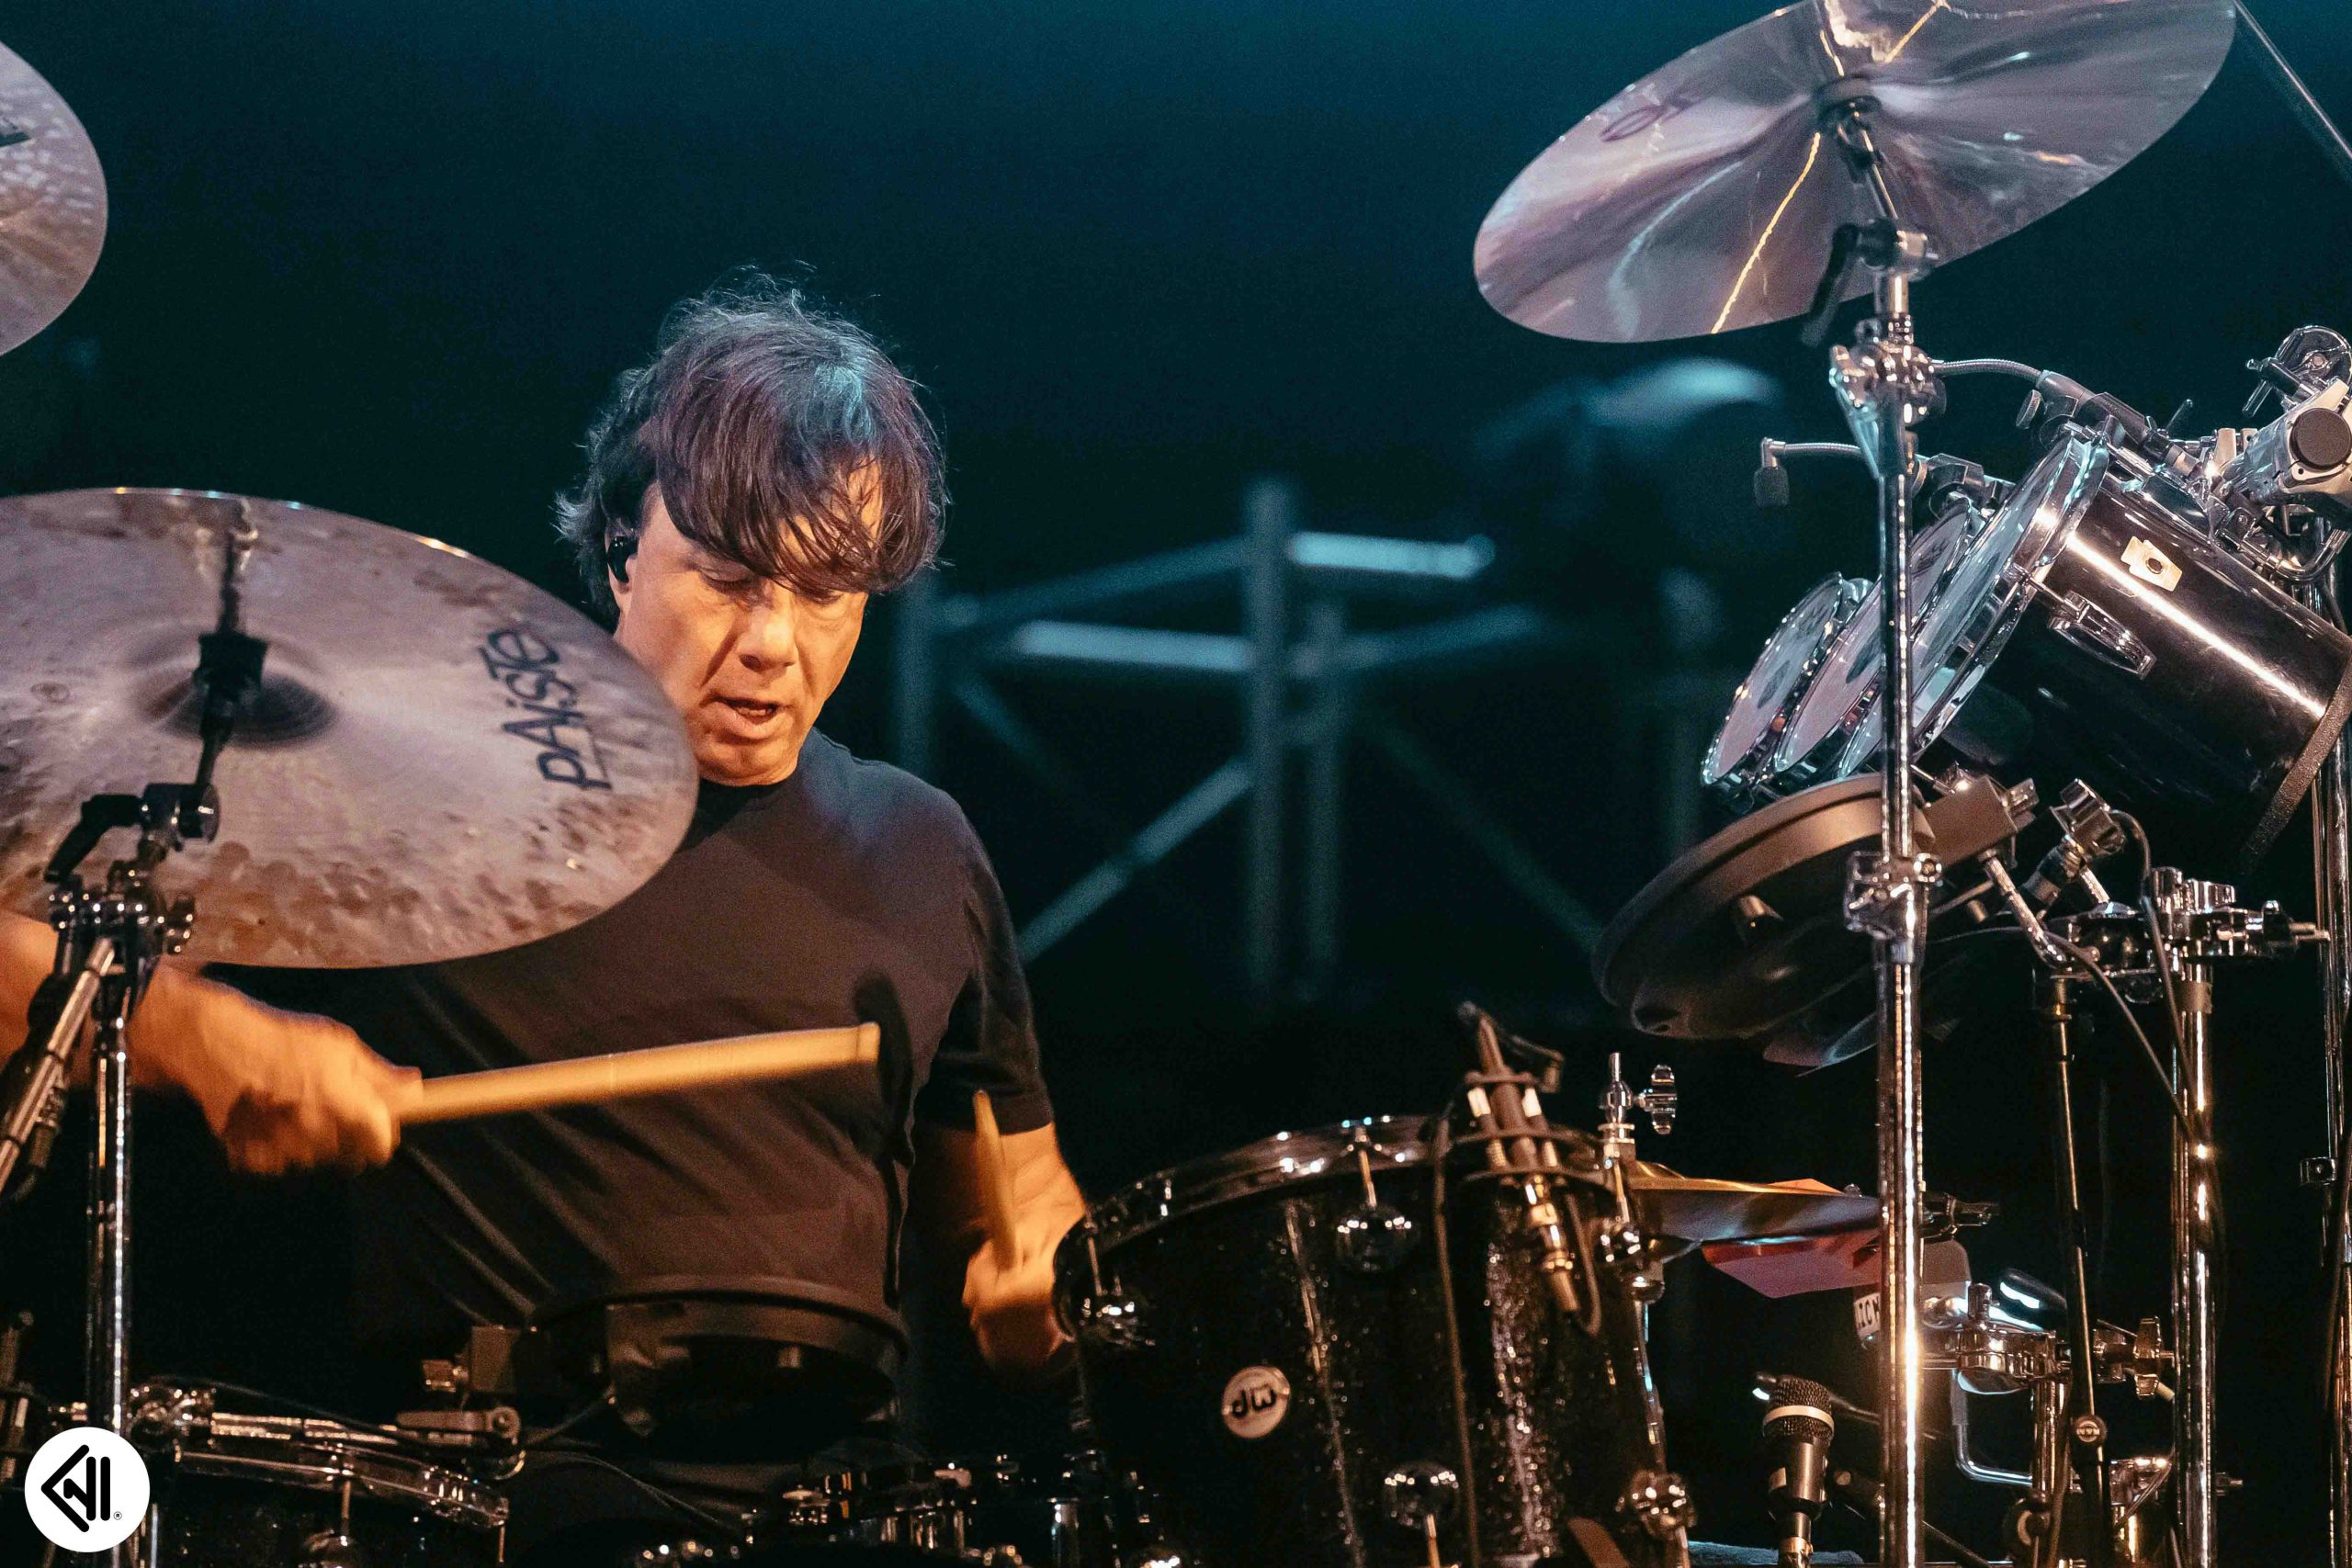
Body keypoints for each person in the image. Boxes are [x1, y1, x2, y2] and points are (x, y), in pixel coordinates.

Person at [0, 276, 1087, 1556]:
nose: (773, 644)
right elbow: (32, 956)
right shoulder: (425, 788)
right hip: (499, 1506)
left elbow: (1025, 1208)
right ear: (625, 545)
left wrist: (1044, 1300)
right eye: (730, 579)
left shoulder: (921, 847)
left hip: (840, 1513)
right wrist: (209, 1037)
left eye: (825, 594)